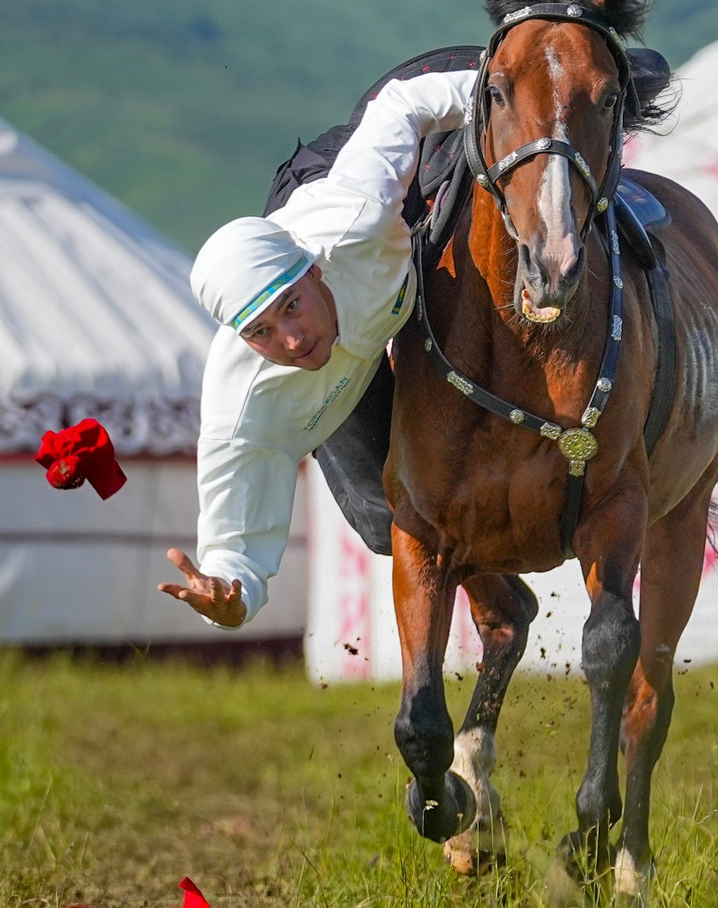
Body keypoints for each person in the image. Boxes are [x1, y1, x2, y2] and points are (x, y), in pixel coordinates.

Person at [158, 40, 673, 630]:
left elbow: (402, 104)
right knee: (385, 520)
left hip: (353, 186)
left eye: (291, 308)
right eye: (261, 332)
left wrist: (528, 98)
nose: (291, 340)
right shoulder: (244, 399)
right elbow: (233, 537)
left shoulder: (358, 216)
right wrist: (231, 596)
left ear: (315, 272)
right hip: (346, 310)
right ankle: (500, 600)